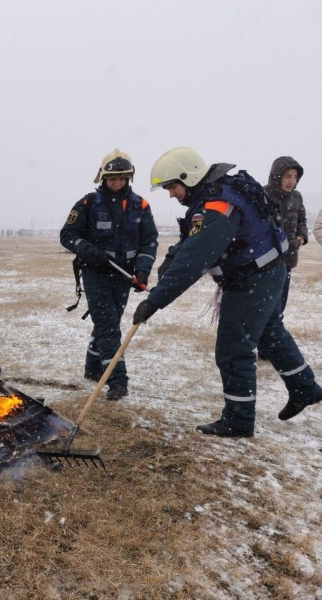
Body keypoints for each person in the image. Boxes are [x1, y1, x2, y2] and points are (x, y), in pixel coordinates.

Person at [135, 147, 322, 437]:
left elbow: (196, 257)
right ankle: (305, 389)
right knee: (271, 334)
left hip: (252, 280)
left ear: (189, 176)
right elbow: (191, 239)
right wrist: (172, 256)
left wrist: (155, 301)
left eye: (172, 186)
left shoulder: (218, 205)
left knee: (234, 348)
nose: (171, 194)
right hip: (268, 271)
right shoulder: (214, 196)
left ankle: (238, 419)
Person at [60, 149, 159, 400]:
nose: (116, 183)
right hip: (95, 274)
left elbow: (149, 242)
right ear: (103, 178)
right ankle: (117, 379)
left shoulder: (141, 206)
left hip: (123, 276)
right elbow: (67, 235)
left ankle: (93, 368)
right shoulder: (87, 204)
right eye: (112, 178)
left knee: (109, 323)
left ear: (128, 178)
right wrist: (89, 251)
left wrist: (142, 271)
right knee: (107, 326)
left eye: (121, 178)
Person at [263, 156, 308, 314]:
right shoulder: (263, 195)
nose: (292, 181)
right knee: (264, 309)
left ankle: (273, 335)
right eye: (287, 176)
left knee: (279, 308)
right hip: (266, 262)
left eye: (295, 177)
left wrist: (301, 237)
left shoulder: (297, 197)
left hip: (288, 260)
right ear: (277, 176)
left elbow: (302, 220)